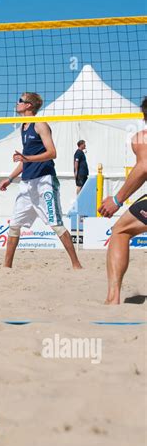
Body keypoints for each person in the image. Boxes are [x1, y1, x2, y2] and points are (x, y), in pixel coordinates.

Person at [0, 92, 82, 269]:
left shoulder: (40, 124)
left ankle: (76, 265)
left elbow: (52, 153)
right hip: (27, 184)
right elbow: (26, 158)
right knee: (14, 225)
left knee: (56, 225)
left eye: (21, 100)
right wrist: (9, 178)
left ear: (29, 105)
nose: (17, 103)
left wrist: (27, 159)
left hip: (44, 182)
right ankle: (6, 267)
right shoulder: (23, 126)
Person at [98, 97, 147, 304]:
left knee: (120, 231)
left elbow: (144, 167)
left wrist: (117, 200)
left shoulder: (142, 137)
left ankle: (113, 298)